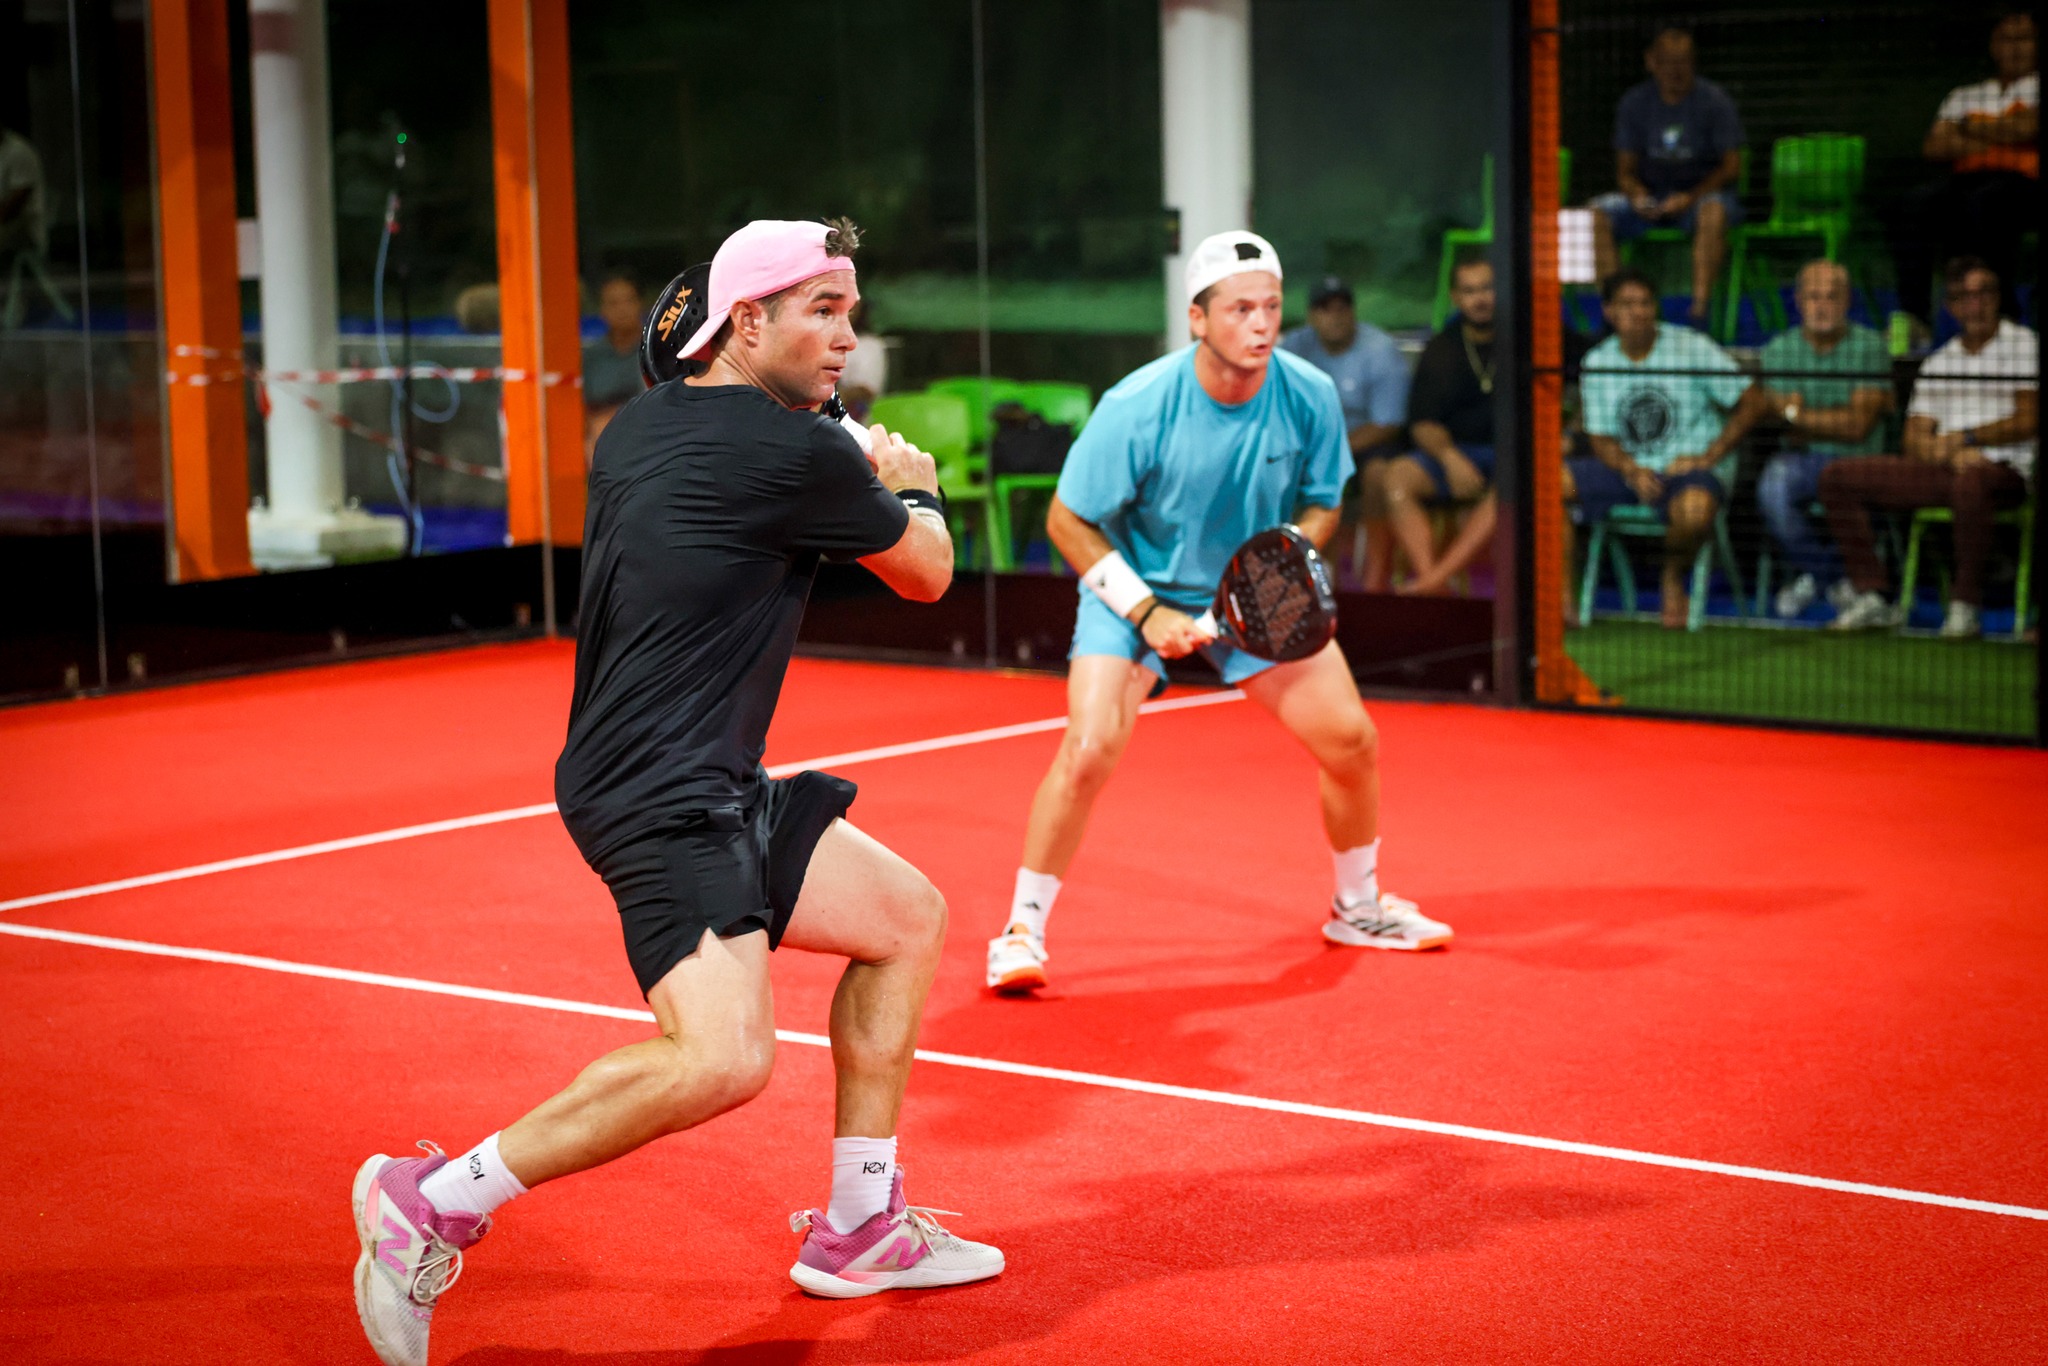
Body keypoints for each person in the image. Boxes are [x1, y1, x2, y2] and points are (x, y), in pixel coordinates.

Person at [351, 218, 1002, 1366]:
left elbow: (746, 469)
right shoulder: (800, 453)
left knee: (905, 918)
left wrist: (839, 451)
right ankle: (434, 1198)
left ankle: (860, 1226)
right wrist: (915, 483)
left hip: (693, 771)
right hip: (662, 791)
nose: (849, 333)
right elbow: (927, 574)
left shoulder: (637, 425)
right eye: (824, 310)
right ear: (745, 323)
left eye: (851, 309)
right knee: (720, 1058)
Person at [983, 231, 1451, 998]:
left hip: (1255, 590)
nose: (1260, 324)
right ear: (1198, 320)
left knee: (1352, 743)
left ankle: (1357, 907)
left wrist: (1283, 560)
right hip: (1133, 588)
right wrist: (1148, 610)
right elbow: (1068, 522)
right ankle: (1020, 931)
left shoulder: (1308, 394)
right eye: (1239, 309)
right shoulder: (1135, 406)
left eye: (1270, 306)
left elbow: (1326, 501)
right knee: (1091, 748)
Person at [1823, 258, 2038, 639]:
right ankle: (1874, 595)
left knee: (1971, 482)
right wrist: (1941, 452)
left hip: (2006, 471)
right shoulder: (1940, 360)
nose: (1975, 304)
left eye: (1983, 293)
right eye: (1963, 297)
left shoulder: (2023, 345)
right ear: (1950, 308)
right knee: (1839, 477)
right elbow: (1913, 437)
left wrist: (1968, 439)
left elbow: (2029, 418)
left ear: (1998, 297)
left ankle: (1965, 607)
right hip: (1945, 467)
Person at [1568, 267, 1755, 628]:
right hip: (1630, 470)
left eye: (1645, 303)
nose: (1638, 312)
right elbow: (1601, 439)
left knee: (1695, 511)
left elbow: (1753, 399)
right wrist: (1630, 469)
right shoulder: (1598, 362)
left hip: (1691, 472)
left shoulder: (1691, 347)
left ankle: (1672, 577)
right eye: (1627, 304)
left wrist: (1708, 457)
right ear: (1608, 312)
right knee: (1548, 485)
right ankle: (1562, 599)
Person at [1746, 260, 1894, 619]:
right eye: (1813, 297)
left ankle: (1818, 579)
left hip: (1860, 461)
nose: (1822, 306)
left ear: (1847, 301)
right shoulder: (1779, 350)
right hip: (1800, 461)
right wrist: (1826, 417)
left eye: (1832, 296)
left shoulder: (1871, 347)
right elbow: (1778, 420)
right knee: (1772, 487)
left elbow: (1858, 427)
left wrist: (1799, 414)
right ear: (1798, 301)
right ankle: (1833, 579)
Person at [1589, 27, 1745, 327]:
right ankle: (1615, 312)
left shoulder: (1714, 102)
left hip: (1701, 199)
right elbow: (1624, 172)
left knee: (1713, 211)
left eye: (1683, 61)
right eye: (1668, 62)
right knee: (1596, 214)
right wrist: (1637, 196)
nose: (1675, 70)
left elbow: (1732, 167)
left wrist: (1690, 197)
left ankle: (1699, 312)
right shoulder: (1634, 104)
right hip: (1652, 201)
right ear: (1651, 62)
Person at [1892, 12, 2037, 328]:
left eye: (2023, 39)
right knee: (1912, 206)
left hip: (2024, 184)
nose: (2015, 48)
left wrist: (1971, 126)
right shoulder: (1965, 94)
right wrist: (2004, 136)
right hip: (1964, 182)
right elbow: (1935, 146)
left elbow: (2030, 128)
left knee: (1988, 204)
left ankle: (2003, 316)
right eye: (2006, 39)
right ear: (1994, 46)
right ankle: (1915, 318)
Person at [1278, 274, 1411, 589]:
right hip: (1309, 447)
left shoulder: (1379, 350)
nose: (1334, 316)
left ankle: (1375, 581)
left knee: (1378, 475)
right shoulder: (1294, 347)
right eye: (1325, 309)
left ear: (1352, 312)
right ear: (1312, 316)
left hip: (1366, 444)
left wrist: (1331, 450)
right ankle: (1299, 576)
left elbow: (1388, 424)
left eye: (1341, 308)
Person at [1384, 255, 1498, 596]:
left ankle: (1431, 584)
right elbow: (1422, 423)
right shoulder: (1441, 349)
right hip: (1454, 454)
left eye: (1487, 288)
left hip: (1511, 460)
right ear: (1455, 298)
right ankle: (1433, 580)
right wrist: (1450, 459)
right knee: (1397, 478)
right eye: (1470, 290)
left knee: (1513, 487)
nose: (1480, 299)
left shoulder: (1526, 339)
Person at [582, 272, 649, 452]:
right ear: (601, 310)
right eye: (613, 303)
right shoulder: (591, 357)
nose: (622, 309)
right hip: (600, 445)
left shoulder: (658, 351)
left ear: (641, 304)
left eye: (629, 300)